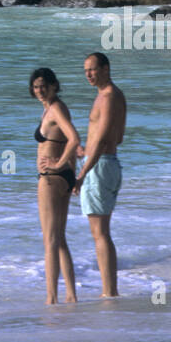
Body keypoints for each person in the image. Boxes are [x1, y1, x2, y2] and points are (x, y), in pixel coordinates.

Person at [73, 52, 127, 298]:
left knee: (100, 233)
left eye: (93, 70)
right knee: (102, 231)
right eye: (86, 71)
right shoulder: (115, 96)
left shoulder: (107, 98)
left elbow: (105, 138)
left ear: (106, 68)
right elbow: (118, 138)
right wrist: (85, 150)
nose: (88, 75)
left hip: (99, 167)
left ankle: (109, 291)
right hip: (108, 163)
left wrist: (82, 172)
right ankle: (110, 290)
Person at [29, 67, 81, 305]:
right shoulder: (53, 108)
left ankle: (51, 299)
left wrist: (58, 163)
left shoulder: (56, 109)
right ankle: (71, 296)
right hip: (63, 177)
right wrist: (73, 174)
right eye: (36, 86)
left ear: (54, 85)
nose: (39, 90)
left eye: (43, 86)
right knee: (59, 239)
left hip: (51, 178)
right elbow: (72, 146)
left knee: (49, 240)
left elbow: (74, 139)